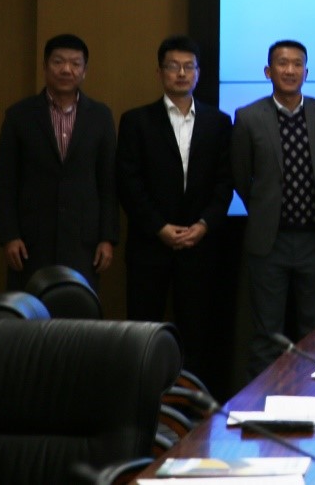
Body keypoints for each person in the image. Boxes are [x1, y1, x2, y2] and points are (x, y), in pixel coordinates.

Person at [116, 35, 233, 385]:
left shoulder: (218, 122)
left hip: (201, 244)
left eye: (188, 67)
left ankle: (194, 406)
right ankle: (143, 401)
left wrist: (204, 225)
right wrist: (160, 227)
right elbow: (128, 183)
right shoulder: (136, 121)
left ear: (198, 73)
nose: (181, 73)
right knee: (143, 331)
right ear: (159, 72)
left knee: (198, 333)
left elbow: (225, 182)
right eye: (173, 66)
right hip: (150, 244)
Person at [231, 40, 315, 375]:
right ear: (268, 71)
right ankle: (262, 400)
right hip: (269, 241)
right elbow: (240, 176)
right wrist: (265, 208)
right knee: (267, 333)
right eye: (282, 63)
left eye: (297, 64)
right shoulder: (248, 117)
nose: (290, 70)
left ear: (307, 72)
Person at [0, 33, 117, 289]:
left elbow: (108, 183)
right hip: (31, 241)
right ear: (45, 66)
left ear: (84, 71)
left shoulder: (100, 116)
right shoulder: (19, 115)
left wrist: (107, 238)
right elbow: (5, 182)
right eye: (58, 62)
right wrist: (9, 236)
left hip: (83, 242)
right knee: (31, 309)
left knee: (78, 310)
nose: (66, 70)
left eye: (75, 63)